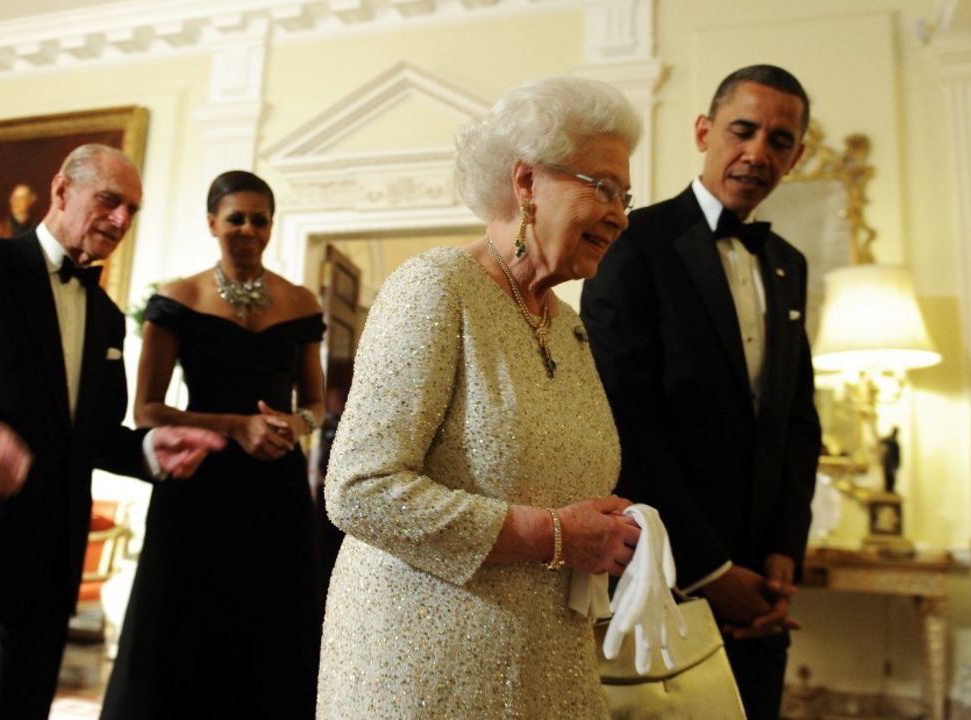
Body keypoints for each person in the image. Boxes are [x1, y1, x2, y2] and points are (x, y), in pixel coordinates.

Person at [317, 76, 643, 719]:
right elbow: (357, 488)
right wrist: (553, 534)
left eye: (625, 196)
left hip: (547, 666)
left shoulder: (569, 325)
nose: (620, 215)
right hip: (426, 668)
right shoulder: (435, 288)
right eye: (602, 188)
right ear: (526, 183)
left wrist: (608, 531)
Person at [0, 143, 225, 720]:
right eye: (110, 201)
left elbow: (89, 434)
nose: (121, 220)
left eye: (132, 210)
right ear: (61, 191)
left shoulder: (107, 316)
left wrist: (147, 450)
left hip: (48, 559)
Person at [580, 64, 823, 719]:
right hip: (664, 570)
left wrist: (781, 556)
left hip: (760, 580)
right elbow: (624, 418)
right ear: (703, 131)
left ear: (795, 156)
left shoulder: (788, 264)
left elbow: (797, 420)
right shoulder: (633, 244)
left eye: (779, 140)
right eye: (742, 130)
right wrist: (711, 570)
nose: (757, 152)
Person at [100, 170, 326, 719]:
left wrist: (293, 426)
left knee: (273, 621)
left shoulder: (299, 303)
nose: (248, 229)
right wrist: (235, 426)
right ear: (211, 223)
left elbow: (316, 403)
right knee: (183, 621)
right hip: (196, 481)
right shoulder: (177, 300)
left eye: (260, 219)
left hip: (275, 487)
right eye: (236, 218)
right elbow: (147, 409)